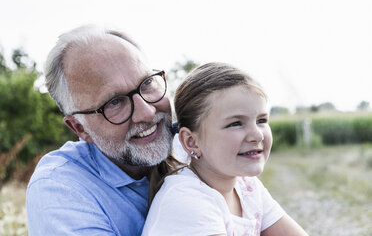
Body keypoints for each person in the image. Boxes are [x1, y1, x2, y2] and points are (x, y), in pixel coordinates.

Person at [26, 24, 182, 235]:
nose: (146, 113)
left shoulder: (198, 143)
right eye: (115, 102)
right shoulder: (62, 188)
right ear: (80, 128)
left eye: (147, 83)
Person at [142, 62, 308, 236]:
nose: (257, 135)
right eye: (236, 123)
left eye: (261, 120)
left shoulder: (248, 187)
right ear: (192, 142)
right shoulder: (185, 200)